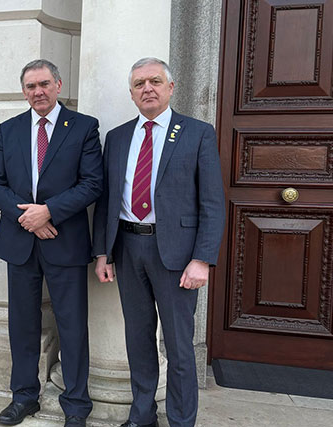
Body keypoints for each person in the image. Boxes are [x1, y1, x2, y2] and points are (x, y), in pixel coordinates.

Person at [92, 57, 225, 427]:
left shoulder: (197, 132)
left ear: (170, 87)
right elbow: (105, 201)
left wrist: (202, 259)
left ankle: (182, 421)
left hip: (177, 257)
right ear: (131, 93)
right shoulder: (117, 137)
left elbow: (212, 201)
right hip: (127, 249)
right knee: (138, 340)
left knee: (180, 346)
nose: (146, 88)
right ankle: (142, 416)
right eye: (139, 84)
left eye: (154, 81)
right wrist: (102, 252)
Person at [0, 59, 103, 427]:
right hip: (20, 241)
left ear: (58, 84)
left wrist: (49, 212)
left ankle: (76, 406)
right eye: (31, 86)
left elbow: (92, 183)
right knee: (21, 324)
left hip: (64, 241)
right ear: (24, 91)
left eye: (44, 84)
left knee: (71, 325)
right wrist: (29, 218)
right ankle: (23, 397)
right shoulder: (10, 129)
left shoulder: (83, 127)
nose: (38, 92)